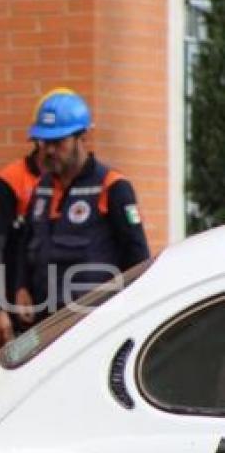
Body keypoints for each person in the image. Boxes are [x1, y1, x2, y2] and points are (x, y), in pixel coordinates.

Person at [16, 88, 150, 325]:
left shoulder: (112, 186)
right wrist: (22, 287)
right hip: (45, 321)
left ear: (82, 137)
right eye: (43, 142)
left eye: (58, 142)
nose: (49, 150)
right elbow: (26, 246)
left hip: (94, 322)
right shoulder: (42, 188)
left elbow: (137, 257)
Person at [0, 88, 75, 346]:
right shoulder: (10, 182)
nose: (52, 149)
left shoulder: (82, 183)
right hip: (22, 309)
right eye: (47, 141)